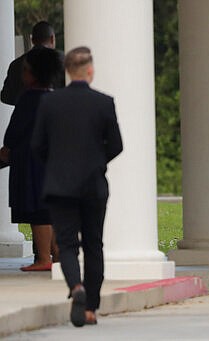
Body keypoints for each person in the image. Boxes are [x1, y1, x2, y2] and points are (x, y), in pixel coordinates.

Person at [31, 46, 123, 327]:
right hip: (93, 185)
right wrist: (97, 161)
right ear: (90, 71)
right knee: (94, 244)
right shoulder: (104, 103)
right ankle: (90, 308)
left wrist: (56, 164)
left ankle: (76, 288)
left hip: (60, 186)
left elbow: (37, 146)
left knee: (68, 245)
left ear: (68, 72)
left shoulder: (50, 103)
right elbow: (116, 145)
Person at [0, 47, 62, 271]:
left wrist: (7, 148)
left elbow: (14, 131)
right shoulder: (56, 98)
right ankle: (57, 254)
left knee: (38, 212)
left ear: (32, 73)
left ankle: (43, 257)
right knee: (50, 210)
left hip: (30, 162)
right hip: (51, 160)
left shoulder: (28, 99)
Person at [1, 20, 65, 106]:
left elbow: (5, 97)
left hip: (23, 115)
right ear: (52, 39)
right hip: (55, 114)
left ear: (32, 40)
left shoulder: (16, 64)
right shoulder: (63, 60)